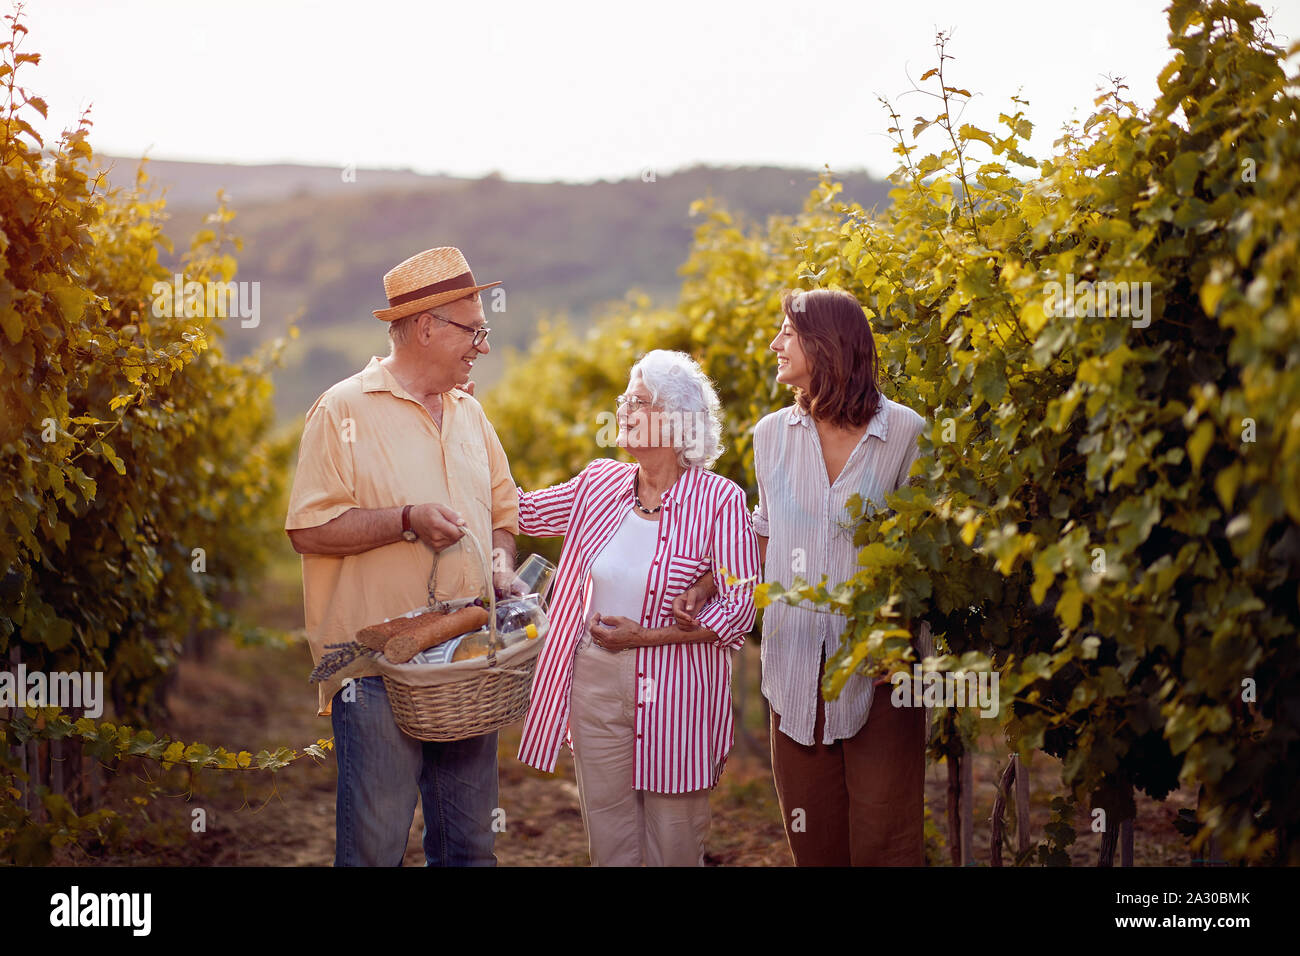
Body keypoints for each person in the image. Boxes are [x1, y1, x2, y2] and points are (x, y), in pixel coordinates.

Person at [284, 246, 520, 866]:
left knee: (469, 846)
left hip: (467, 664)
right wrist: (406, 520)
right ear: (425, 327)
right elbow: (309, 529)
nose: (484, 347)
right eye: (475, 330)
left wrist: (500, 566)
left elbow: (504, 514)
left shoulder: (471, 414)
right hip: (376, 670)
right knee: (375, 849)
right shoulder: (343, 410)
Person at [676, 289, 929, 865]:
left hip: (881, 671)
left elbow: (922, 551)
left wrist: (900, 642)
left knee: (886, 843)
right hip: (794, 666)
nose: (774, 344)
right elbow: (762, 529)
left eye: (786, 332)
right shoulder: (771, 435)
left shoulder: (906, 434)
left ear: (826, 345)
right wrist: (713, 581)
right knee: (814, 844)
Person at [515, 350, 759, 866]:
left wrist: (645, 638)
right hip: (594, 679)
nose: (623, 409)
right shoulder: (598, 483)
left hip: (677, 687)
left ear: (676, 421)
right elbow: (521, 509)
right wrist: (470, 433)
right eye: (625, 398)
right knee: (609, 832)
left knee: (674, 836)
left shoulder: (720, 501)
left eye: (640, 401)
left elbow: (740, 607)